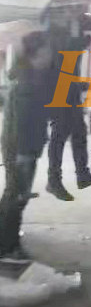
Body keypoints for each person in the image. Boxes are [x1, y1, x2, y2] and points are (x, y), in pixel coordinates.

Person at [0, 31, 53, 263]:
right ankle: (7, 248)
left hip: (24, 147)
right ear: (36, 54)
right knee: (16, 196)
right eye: (47, 50)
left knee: (15, 194)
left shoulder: (31, 76)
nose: (50, 55)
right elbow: (21, 121)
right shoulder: (27, 82)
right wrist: (23, 154)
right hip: (20, 149)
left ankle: (8, 242)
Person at [46, 44, 91, 202]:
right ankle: (54, 180)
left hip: (68, 93)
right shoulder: (59, 42)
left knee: (79, 133)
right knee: (59, 136)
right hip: (61, 94)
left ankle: (82, 175)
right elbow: (59, 76)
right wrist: (84, 85)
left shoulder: (68, 43)